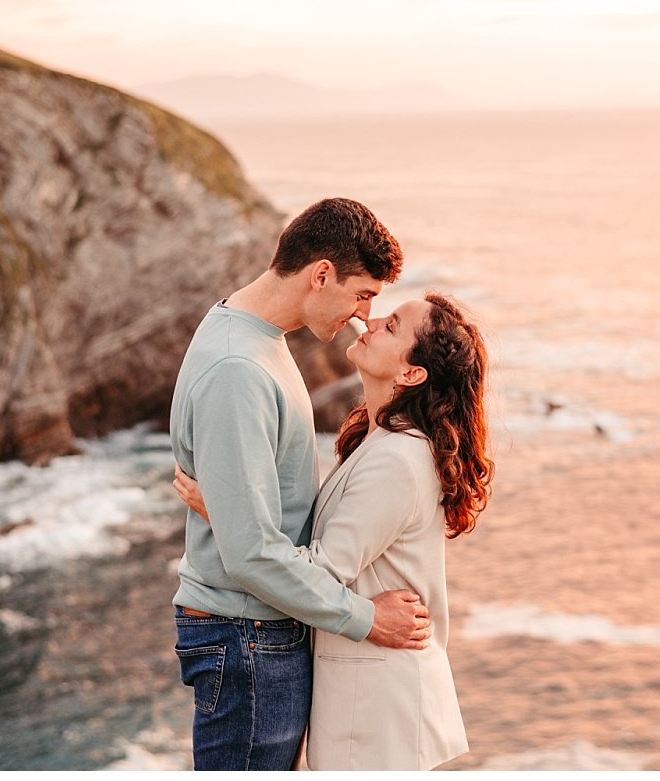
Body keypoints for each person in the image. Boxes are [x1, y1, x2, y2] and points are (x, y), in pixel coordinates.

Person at [176, 291, 494, 770]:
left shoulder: (398, 460)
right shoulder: (380, 439)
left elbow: (323, 568)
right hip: (368, 691)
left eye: (391, 326)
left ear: (412, 374)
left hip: (380, 703)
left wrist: (226, 511)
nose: (370, 318)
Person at [167, 198, 432, 772]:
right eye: (363, 294)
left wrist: (232, 513)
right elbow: (251, 557)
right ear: (321, 275)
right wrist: (368, 619)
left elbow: (254, 529)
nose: (365, 315)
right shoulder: (239, 369)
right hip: (247, 639)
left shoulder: (252, 334)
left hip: (254, 635)